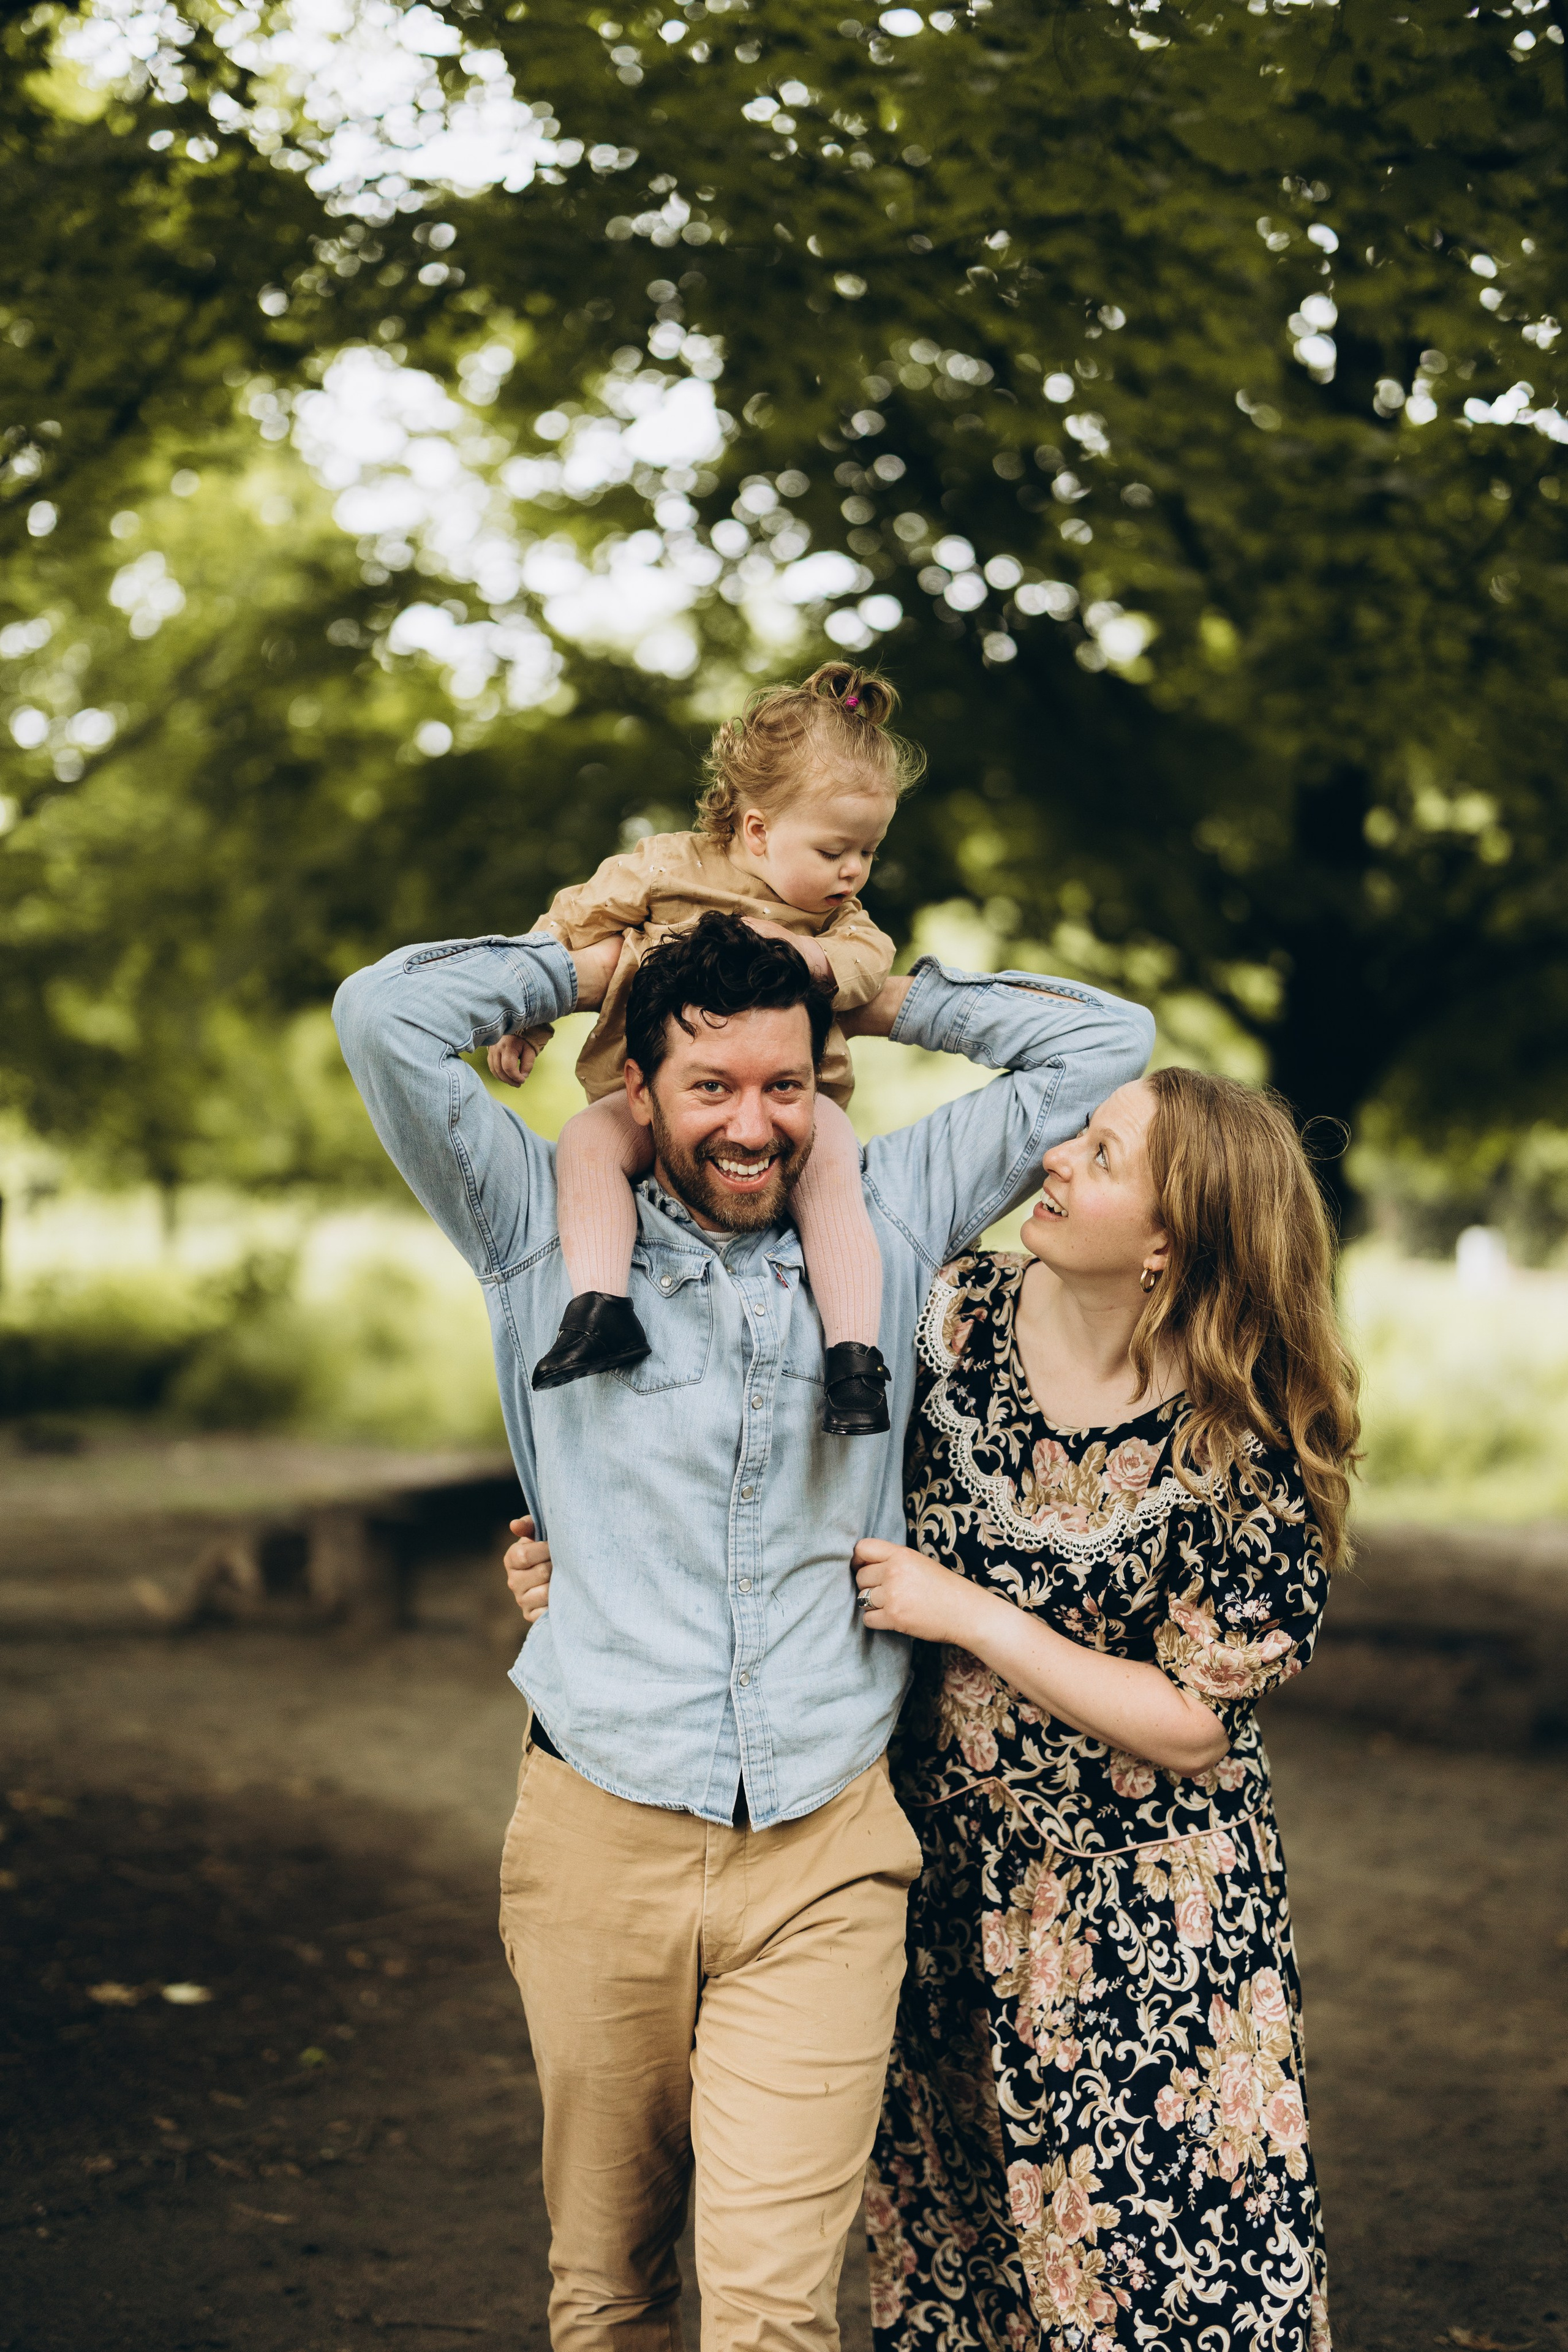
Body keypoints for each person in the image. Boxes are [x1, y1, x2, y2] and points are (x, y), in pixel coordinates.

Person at [332, 907, 1153, 2352]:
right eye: (710, 1085)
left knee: (774, 2311)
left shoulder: (885, 1214)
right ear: (634, 1089)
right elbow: (380, 1016)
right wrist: (587, 971)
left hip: (823, 1850)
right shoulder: (532, 1226)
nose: (751, 1121)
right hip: (598, 1837)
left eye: (784, 1083)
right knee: (608, 2288)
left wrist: (879, 992)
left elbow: (1105, 1044)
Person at [850, 1068, 1360, 2352]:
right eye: (1078, 1133)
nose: (1057, 1159)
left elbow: (1196, 1724)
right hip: (942, 1884)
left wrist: (966, 1612)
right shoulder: (946, 1317)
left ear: (1165, 1241)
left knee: (1160, 2281)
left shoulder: (1237, 1436)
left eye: (1104, 1153)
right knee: (962, 2257)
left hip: (1144, 1924)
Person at [491, 662, 920, 1434]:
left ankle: (855, 1357)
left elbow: (871, 959)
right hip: (656, 1093)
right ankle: (599, 1306)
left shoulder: (833, 916)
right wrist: (529, 1009)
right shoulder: (666, 867)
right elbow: (570, 921)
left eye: (868, 852)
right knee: (586, 1144)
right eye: (834, 851)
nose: (853, 872)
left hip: (798, 1103)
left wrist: (803, 958)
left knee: (834, 1180)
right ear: (757, 829)